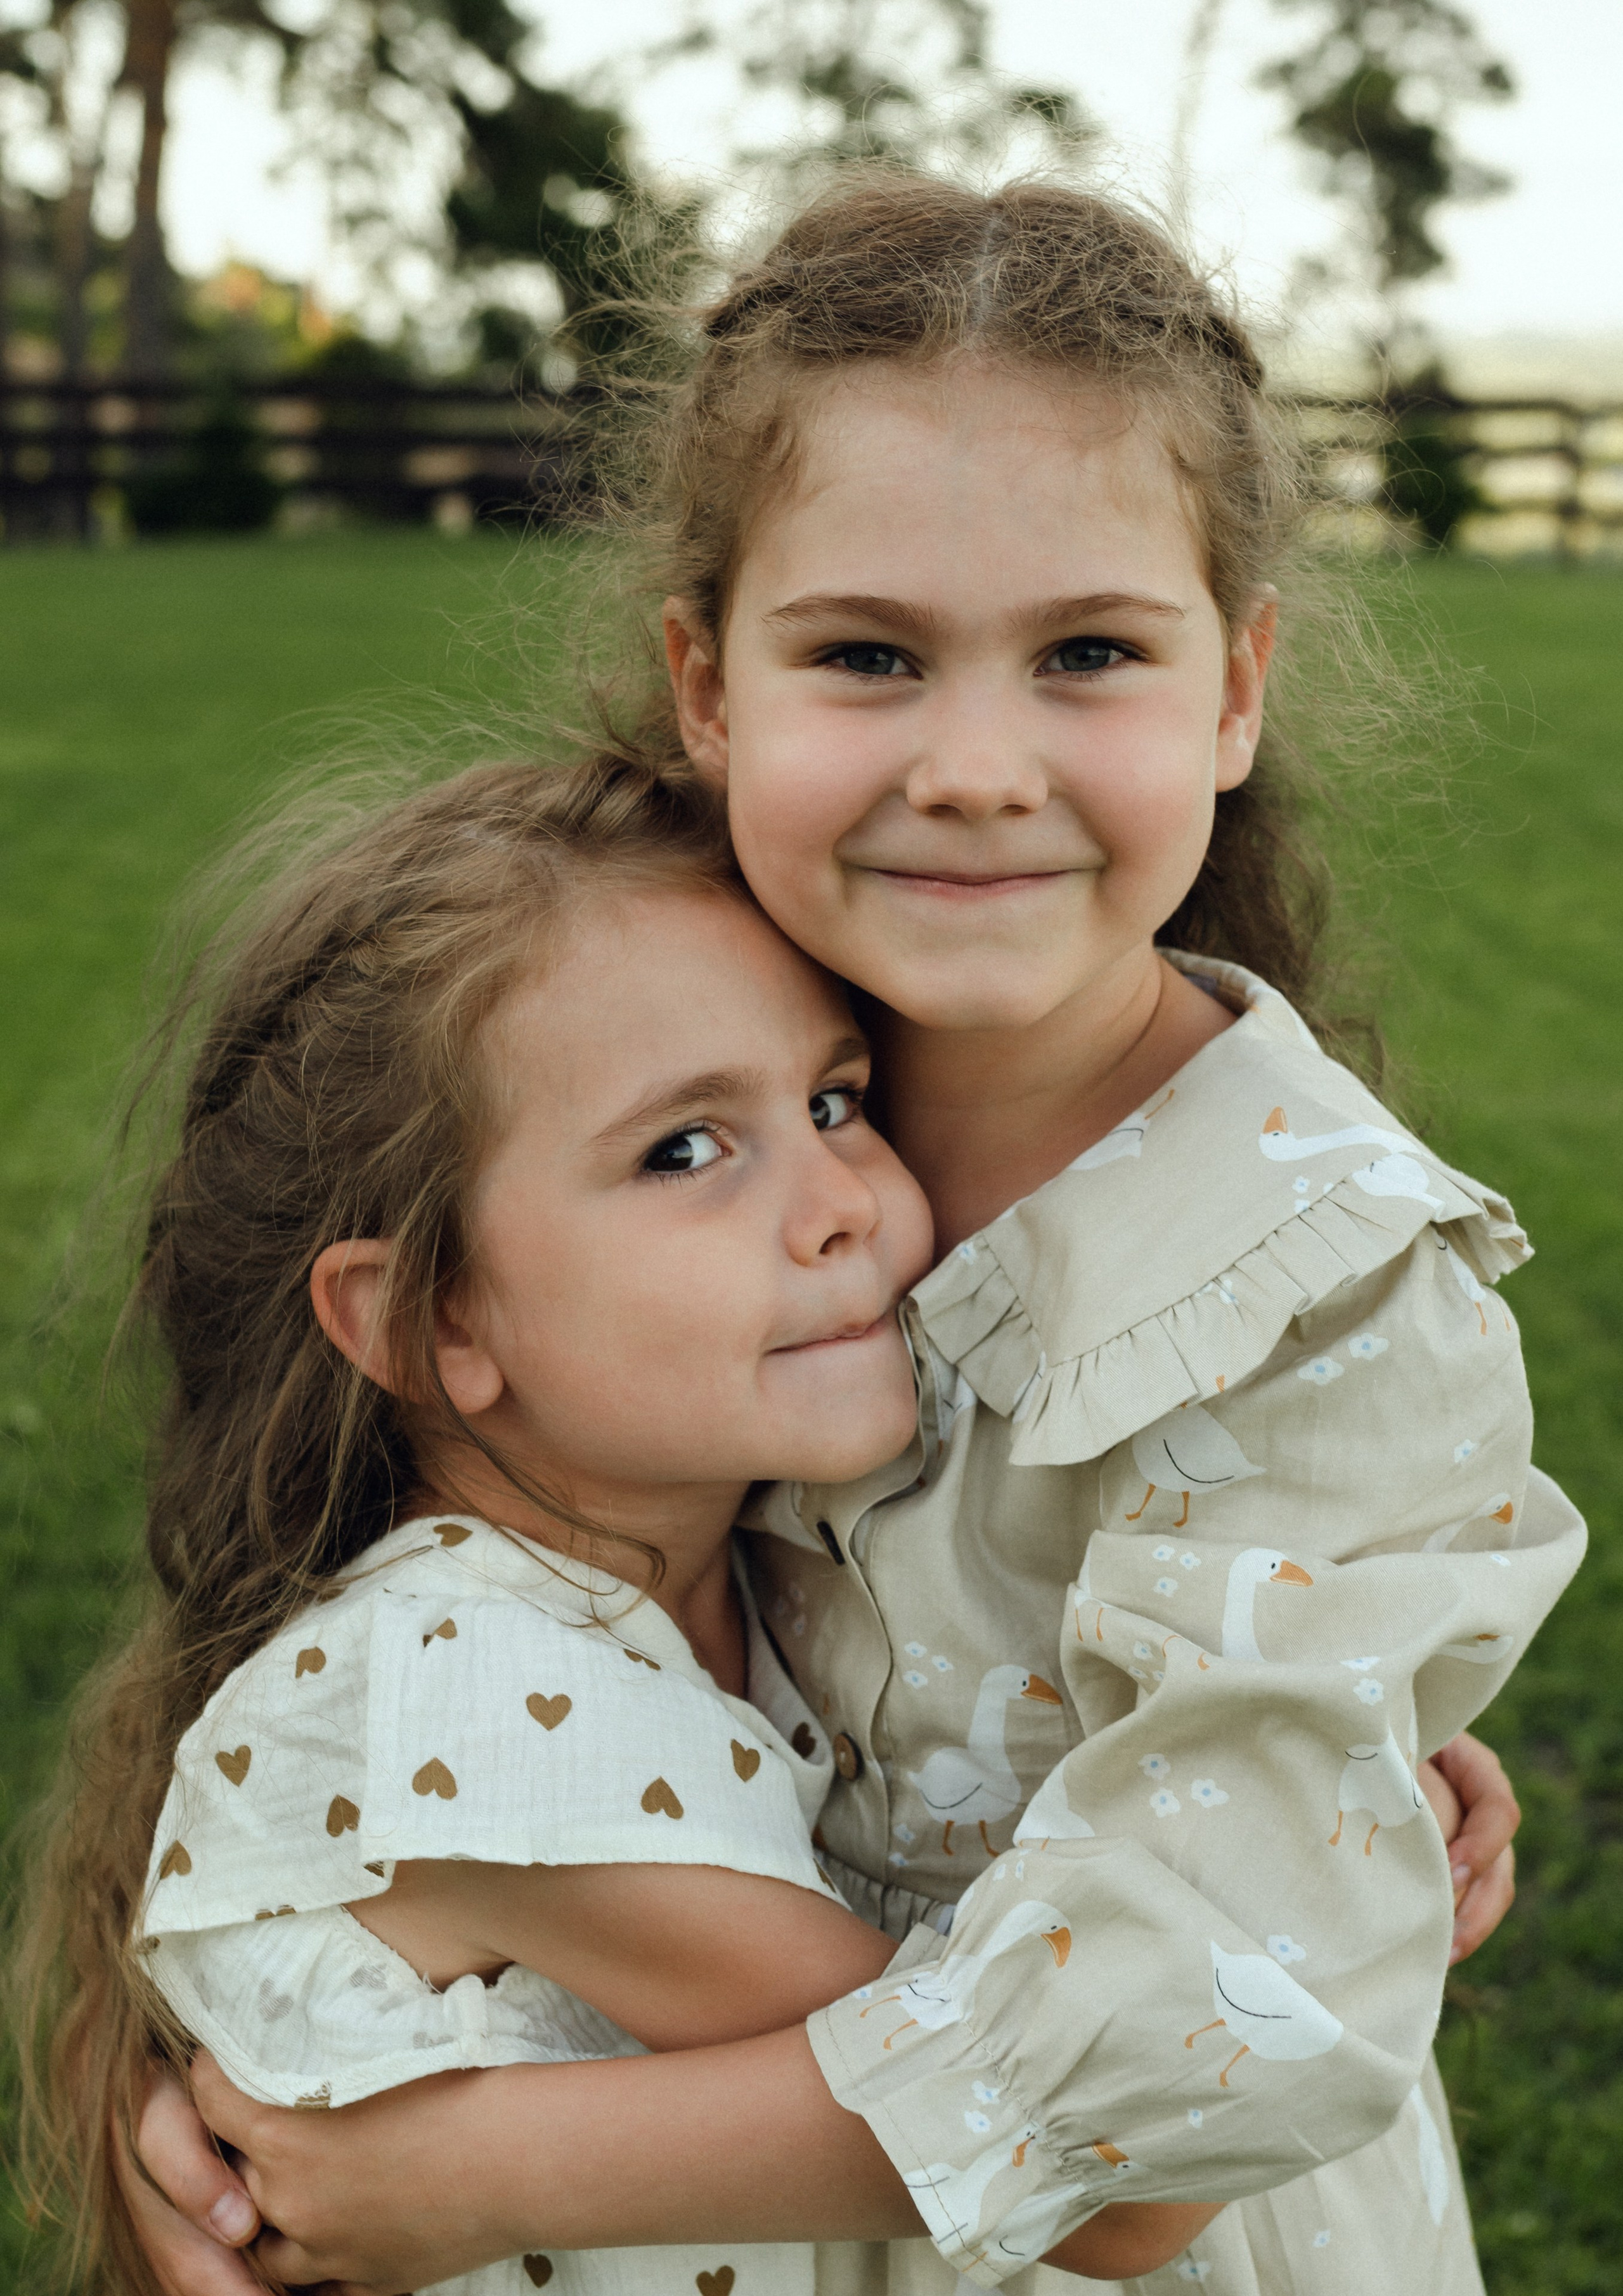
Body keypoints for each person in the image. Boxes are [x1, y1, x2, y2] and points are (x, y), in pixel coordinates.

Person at [124, 177, 1574, 2296]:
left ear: (1238, 687)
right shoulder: (657, 1063)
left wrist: (479, 2164)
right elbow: (462, 1672)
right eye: (870, 655)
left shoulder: (1328, 1281)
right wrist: (298, 2054)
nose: (976, 769)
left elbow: (1174, 2076)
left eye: (1089, 652)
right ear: (709, 686)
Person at [18, 747, 1217, 2295]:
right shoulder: (472, 1693)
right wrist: (1317, 1879)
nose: (842, 1197)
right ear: (429, 1318)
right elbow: (1096, 2157)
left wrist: (1309, 1737)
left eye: (834, 1098)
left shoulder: (770, 1542)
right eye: (684, 1149)